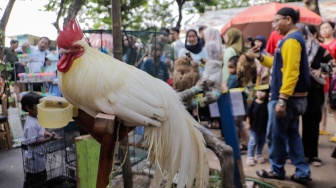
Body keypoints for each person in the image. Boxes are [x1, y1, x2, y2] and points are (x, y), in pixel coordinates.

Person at [251, 7, 312, 183]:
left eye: (276, 20)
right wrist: (261, 57)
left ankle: (277, 170)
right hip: (295, 98)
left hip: (286, 98)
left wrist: (283, 99)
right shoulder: (290, 39)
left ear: (288, 19)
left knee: (276, 136)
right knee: (292, 134)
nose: (274, 25)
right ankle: (302, 172)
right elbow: (280, 64)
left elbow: (291, 72)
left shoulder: (291, 40)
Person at [300, 24, 335, 167]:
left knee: (312, 124)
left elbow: (332, 63)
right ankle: (300, 154)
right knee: (295, 126)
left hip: (314, 92)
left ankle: (312, 155)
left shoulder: (319, 49)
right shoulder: (295, 49)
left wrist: (321, 71)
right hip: (297, 92)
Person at [21, 92, 59, 187]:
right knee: (35, 181)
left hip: (39, 157)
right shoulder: (30, 124)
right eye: (37, 105)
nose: (41, 107)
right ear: (28, 108)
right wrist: (49, 139)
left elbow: (41, 130)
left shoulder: (36, 118)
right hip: (34, 160)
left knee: (41, 178)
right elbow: (31, 141)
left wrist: (48, 134)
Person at [227, 55, 249, 151]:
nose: (230, 70)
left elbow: (228, 89)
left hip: (237, 106)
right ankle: (247, 142)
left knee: (233, 125)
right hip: (242, 105)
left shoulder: (234, 78)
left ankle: (237, 144)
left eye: (232, 67)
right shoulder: (242, 76)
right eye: (229, 67)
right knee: (240, 125)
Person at [319, 21, 336, 139]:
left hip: (334, 78)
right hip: (322, 78)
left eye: (327, 27)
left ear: (333, 30)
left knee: (334, 105)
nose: (325, 30)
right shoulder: (319, 45)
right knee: (322, 104)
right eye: (322, 28)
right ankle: (322, 127)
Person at [246, 88, 269, 166]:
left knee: (261, 142)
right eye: (259, 91)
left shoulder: (267, 104)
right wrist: (248, 123)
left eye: (263, 91)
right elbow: (248, 115)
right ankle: (250, 156)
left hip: (264, 128)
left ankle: (258, 154)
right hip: (254, 128)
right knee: (252, 142)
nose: (260, 93)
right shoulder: (253, 103)